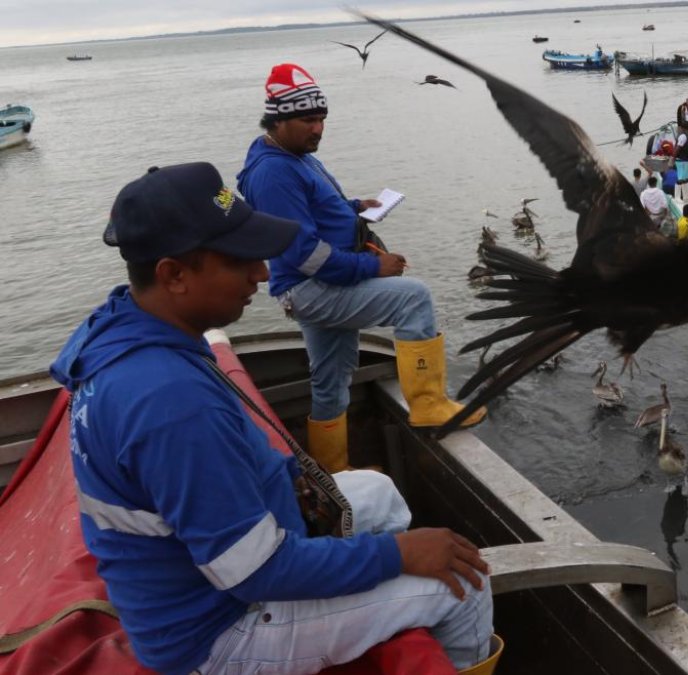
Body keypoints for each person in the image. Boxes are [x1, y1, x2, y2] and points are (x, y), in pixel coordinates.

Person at [50, 162, 495, 675]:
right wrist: (397, 557)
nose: (261, 274)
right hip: (217, 630)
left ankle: (387, 628)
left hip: (215, 564)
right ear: (173, 274)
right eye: (240, 259)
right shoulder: (168, 401)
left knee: (380, 494)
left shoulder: (125, 326)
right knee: (465, 588)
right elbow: (254, 571)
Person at [237, 63, 485, 475]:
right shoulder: (273, 172)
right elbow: (306, 255)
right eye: (307, 120)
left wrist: (354, 207)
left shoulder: (292, 155)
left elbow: (310, 210)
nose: (318, 129)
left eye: (321, 119)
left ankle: (333, 471)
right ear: (278, 119)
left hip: (313, 285)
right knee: (414, 299)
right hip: (310, 287)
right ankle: (428, 406)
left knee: (331, 380)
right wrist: (374, 265)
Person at [673, 133, 688, 198]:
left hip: (685, 161)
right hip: (681, 161)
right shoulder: (683, 136)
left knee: (686, 178)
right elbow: (677, 148)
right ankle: (677, 197)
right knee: (680, 179)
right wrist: (672, 159)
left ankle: (686, 196)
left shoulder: (687, 137)